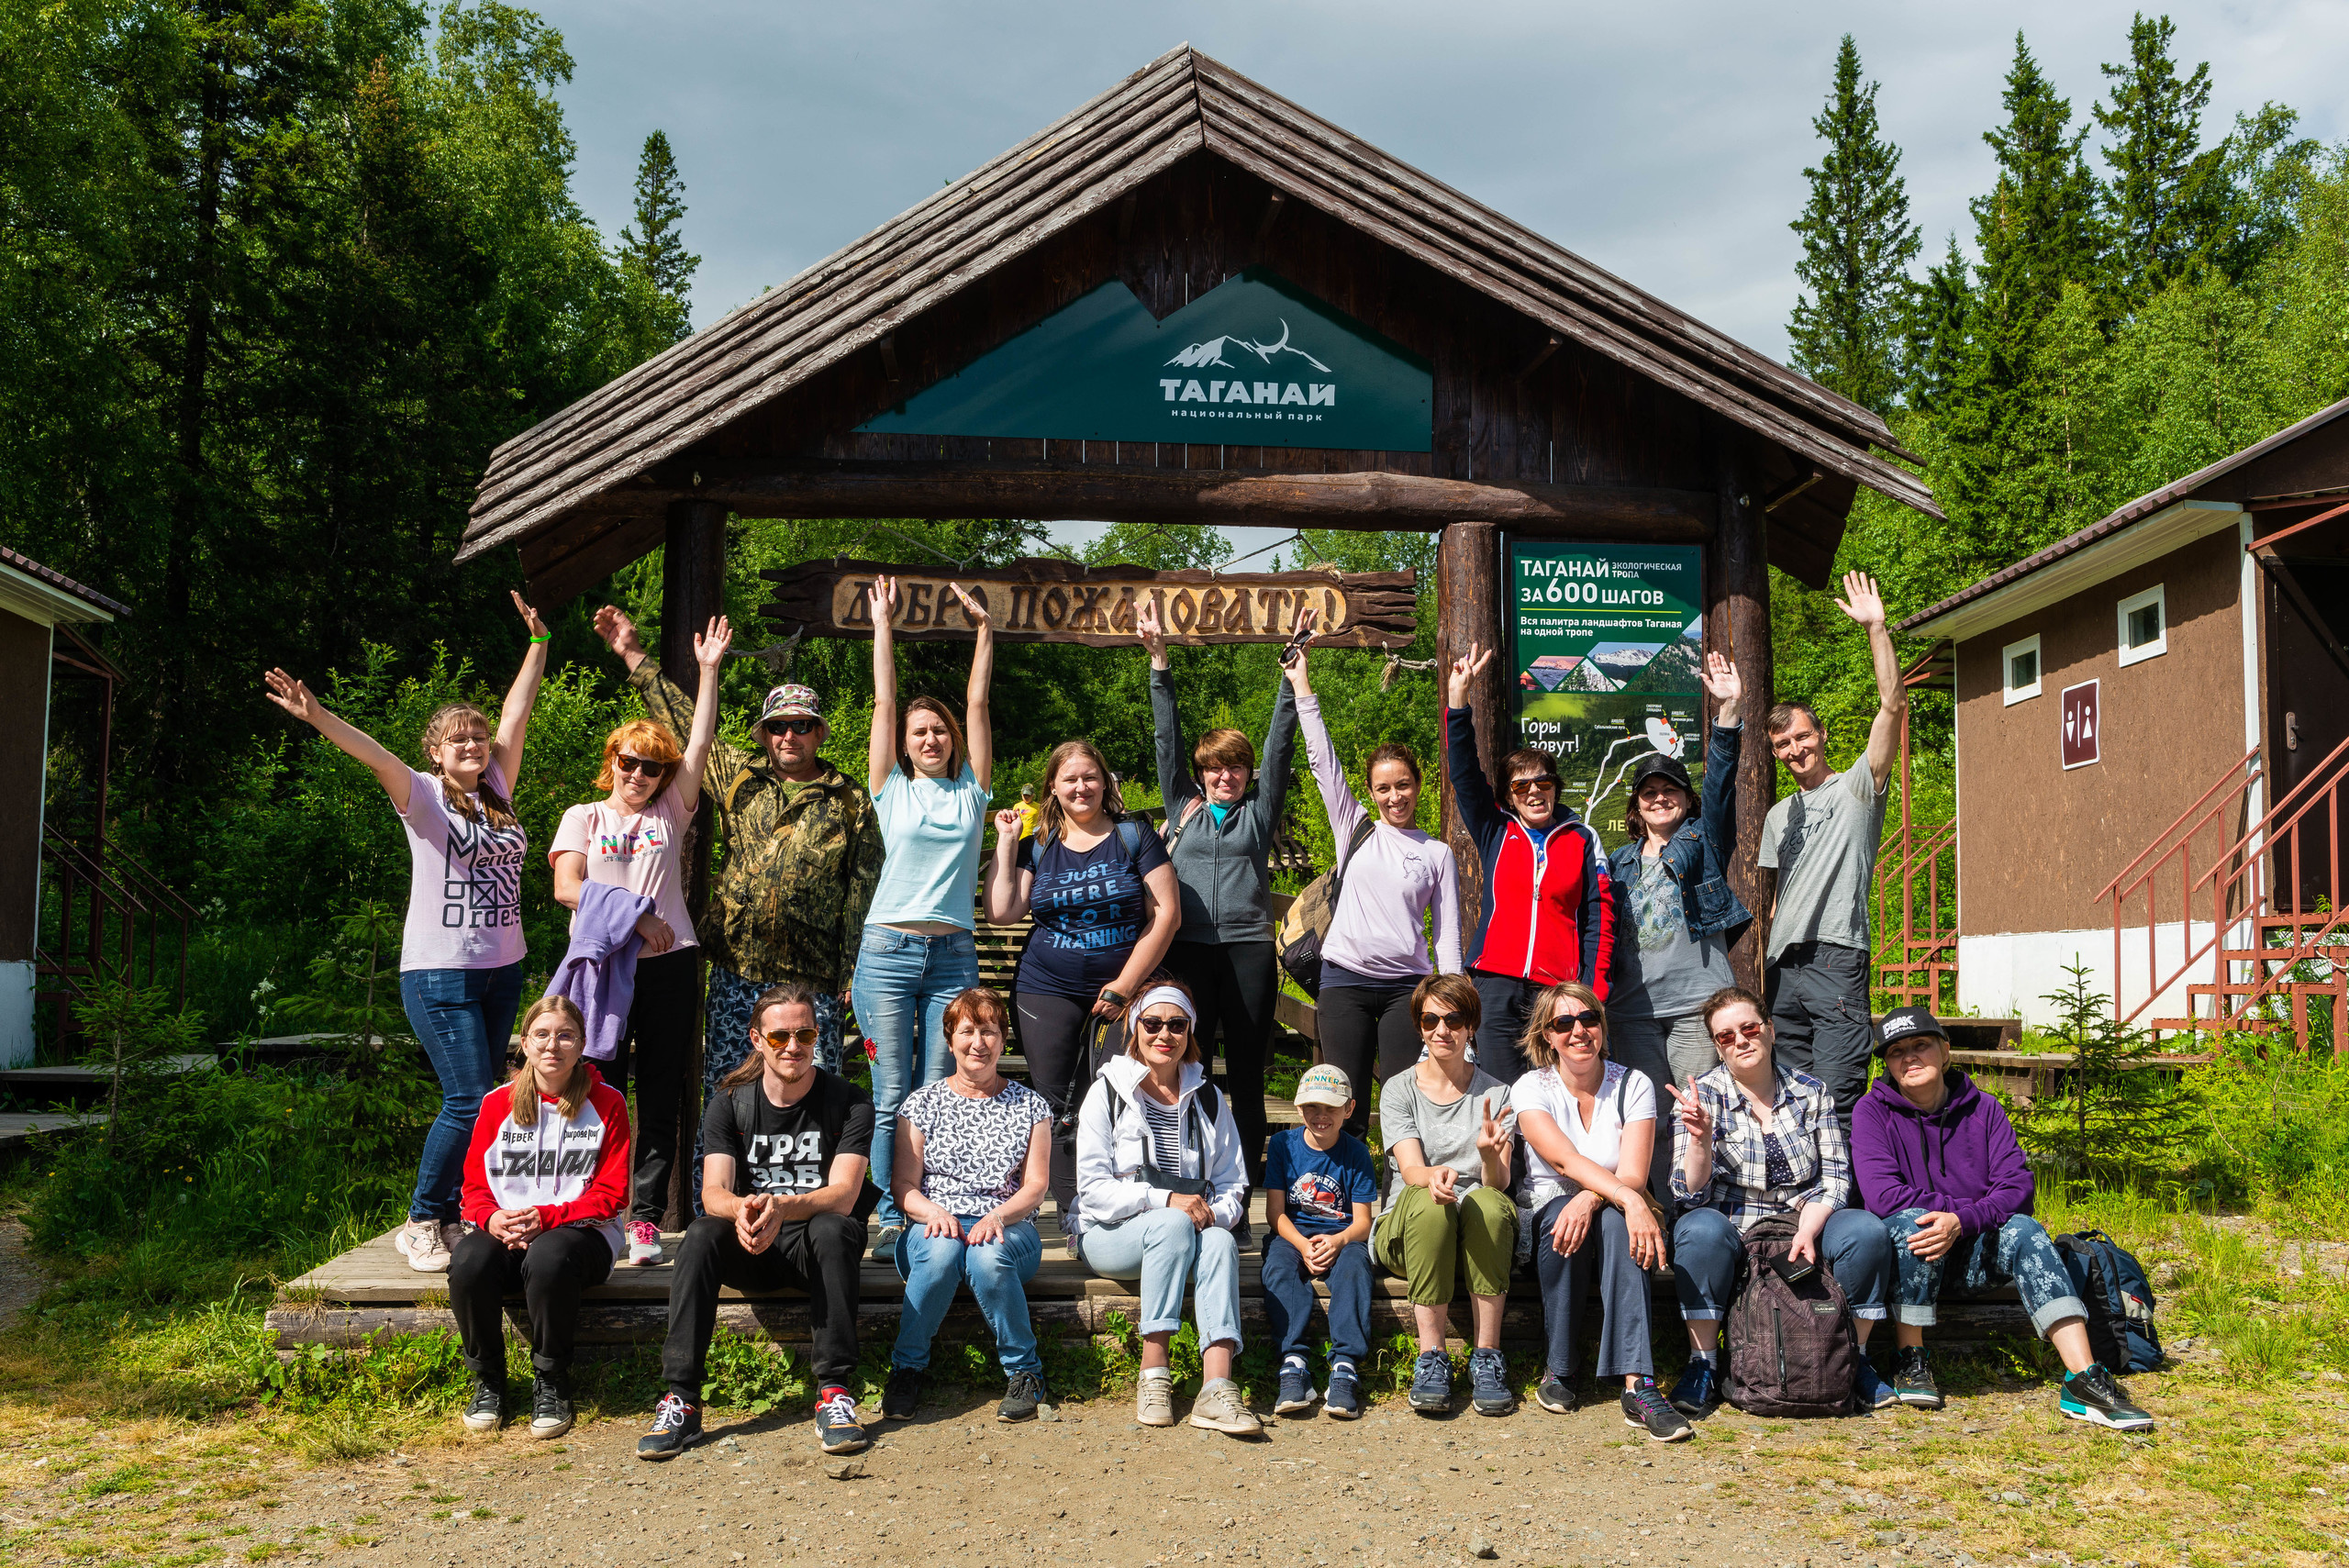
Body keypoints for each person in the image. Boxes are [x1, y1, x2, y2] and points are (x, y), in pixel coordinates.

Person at [262, 590, 548, 1273]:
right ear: (436, 751)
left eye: (478, 737)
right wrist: (318, 714)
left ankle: (453, 1215)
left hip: (502, 968)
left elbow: (516, 712)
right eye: (460, 739)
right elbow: (373, 754)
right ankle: (422, 1217)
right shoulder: (420, 793)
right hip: (439, 973)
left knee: (492, 1099)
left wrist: (538, 644)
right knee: (468, 1097)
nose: (475, 744)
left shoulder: (499, 786)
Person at [592, 605, 883, 1101]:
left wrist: (852, 973)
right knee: (729, 1091)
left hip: (813, 979)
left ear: (819, 732)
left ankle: (820, 1182)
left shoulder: (851, 798)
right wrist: (633, 654)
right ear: (764, 734)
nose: (788, 735)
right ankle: (718, 1181)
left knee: (816, 1096)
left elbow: (863, 892)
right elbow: (688, 725)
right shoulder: (737, 776)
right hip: (736, 971)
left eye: (801, 725)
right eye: (777, 726)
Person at [1855, 1008, 2154, 1430]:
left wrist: (1960, 1219)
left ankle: (2083, 1378)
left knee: (2026, 1229)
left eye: (1920, 1045)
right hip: (1910, 1259)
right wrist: (1952, 1216)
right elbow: (1883, 1195)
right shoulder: (1873, 1112)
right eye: (1897, 1051)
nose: (1910, 1058)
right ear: (1887, 1063)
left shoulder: (1985, 1109)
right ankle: (1910, 1357)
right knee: (1912, 1220)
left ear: (1944, 1050)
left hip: (1975, 1250)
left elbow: (2018, 1189)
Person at [549, 615, 730, 1267]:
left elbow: (702, 742)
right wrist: (635, 915)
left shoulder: (668, 812)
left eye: (654, 767)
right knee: (594, 1086)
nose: (641, 774)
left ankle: (645, 1220)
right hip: (602, 966)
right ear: (613, 762)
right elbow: (567, 887)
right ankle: (589, 1207)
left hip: (670, 965)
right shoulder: (584, 815)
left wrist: (707, 670)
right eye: (631, 762)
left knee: (659, 1093)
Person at [639, 984, 879, 1462]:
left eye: (805, 1033)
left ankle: (834, 1392)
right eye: (780, 1036)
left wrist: (782, 1207)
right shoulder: (730, 1103)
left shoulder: (848, 1101)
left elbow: (845, 1193)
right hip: (753, 1246)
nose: (794, 1046)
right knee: (703, 1232)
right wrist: (745, 1212)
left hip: (817, 1250)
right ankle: (681, 1398)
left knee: (834, 1227)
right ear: (756, 1039)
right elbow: (713, 1194)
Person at [1663, 986, 1895, 1418]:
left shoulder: (1811, 1091)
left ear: (1769, 1030)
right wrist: (1699, 1140)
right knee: (1696, 1229)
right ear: (1717, 1046)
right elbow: (1688, 1193)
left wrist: (1808, 1227)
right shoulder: (1701, 1097)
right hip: (1735, 1226)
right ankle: (1704, 1364)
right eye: (1726, 1036)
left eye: (1748, 1028)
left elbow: (1838, 1177)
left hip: (1806, 1218)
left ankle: (1856, 1358)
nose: (1740, 1041)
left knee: (1867, 1231)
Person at [857, 576, 996, 1262]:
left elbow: (977, 700)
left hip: (953, 960)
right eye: (921, 732)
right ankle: (890, 1211)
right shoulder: (890, 790)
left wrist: (983, 631)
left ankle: (935, 1203)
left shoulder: (973, 793)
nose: (933, 737)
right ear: (906, 745)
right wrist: (883, 622)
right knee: (891, 1095)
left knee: (941, 1090)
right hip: (886, 953)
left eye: (939, 729)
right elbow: (884, 701)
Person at [1136, 595, 1299, 1183]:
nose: (1223, 776)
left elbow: (1281, 751)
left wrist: (1288, 685)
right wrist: (1160, 664)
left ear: (1246, 774)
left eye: (1234, 768)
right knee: (1188, 1064)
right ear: (1201, 774)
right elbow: (1166, 742)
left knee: (1250, 1069)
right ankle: (1191, 1168)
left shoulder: (1258, 815)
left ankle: (1251, 1180)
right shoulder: (1184, 808)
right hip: (1189, 953)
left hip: (1248, 950)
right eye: (1214, 768)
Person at [985, 738, 1180, 1227]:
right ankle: (1072, 1211)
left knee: (1118, 1095)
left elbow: (1167, 915)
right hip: (1045, 987)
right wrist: (1008, 845)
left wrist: (1124, 985)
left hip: (1127, 989)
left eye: (1089, 777)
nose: (1081, 787)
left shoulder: (1135, 836)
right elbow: (1002, 911)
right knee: (1054, 1104)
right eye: (1069, 779)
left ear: (1105, 782)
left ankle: (1121, 1204)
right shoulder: (1040, 846)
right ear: (1053, 787)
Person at [1285, 620, 1461, 1139]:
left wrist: (1451, 1005)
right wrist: (1302, 684)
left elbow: (1446, 934)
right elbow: (1322, 759)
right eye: (1383, 788)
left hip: (1407, 988)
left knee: (1407, 1102)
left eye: (1403, 785)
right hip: (1344, 983)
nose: (1394, 797)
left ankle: (1400, 1204)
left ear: (1418, 786)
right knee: (1343, 1104)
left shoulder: (1437, 852)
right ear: (1370, 791)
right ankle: (1348, 1209)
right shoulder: (1354, 828)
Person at [1069, 981, 1259, 1436]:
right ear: (1135, 1029)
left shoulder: (1209, 1098)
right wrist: (1165, 1201)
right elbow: (1092, 1189)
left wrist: (1217, 1214)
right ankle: (1154, 1374)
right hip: (1111, 1234)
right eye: (1152, 1024)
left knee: (1216, 1239)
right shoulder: (1107, 1093)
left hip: (1186, 1235)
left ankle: (1216, 1387)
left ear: (1190, 1033)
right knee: (1174, 1223)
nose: (1164, 1035)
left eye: (1177, 1025)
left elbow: (1234, 1182)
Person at [1509, 982, 1687, 1440]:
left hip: (1615, 1208)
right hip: (1550, 1208)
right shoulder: (1531, 1087)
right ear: (1547, 1035)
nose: (1578, 1030)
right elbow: (1563, 1161)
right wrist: (1624, 1196)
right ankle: (1561, 1367)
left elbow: (1633, 1172)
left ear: (1602, 1026)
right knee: (1572, 1215)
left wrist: (1601, 1197)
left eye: (1588, 1019)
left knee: (1613, 1219)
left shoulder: (1634, 1084)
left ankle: (1638, 1384)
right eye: (1563, 1023)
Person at [1759, 570, 1902, 1139]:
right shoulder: (1776, 817)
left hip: (1837, 957)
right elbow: (1774, 902)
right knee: (1789, 1095)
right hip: (1782, 967)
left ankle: (1847, 1216)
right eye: (1782, 745)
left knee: (1839, 1093)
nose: (1795, 750)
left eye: (1801, 737)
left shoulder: (1858, 787)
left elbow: (1891, 705)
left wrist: (1877, 630)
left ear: (1821, 735)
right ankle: (1802, 1209)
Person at [447, 995, 630, 1440]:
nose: (554, 1045)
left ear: (582, 1044)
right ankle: (488, 1379)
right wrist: (490, 1220)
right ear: (525, 1044)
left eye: (566, 1035)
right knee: (469, 1261)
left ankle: (551, 1378)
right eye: (542, 1035)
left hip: (581, 1235)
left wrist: (550, 1217)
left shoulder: (607, 1102)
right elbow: (473, 1188)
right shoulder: (496, 1104)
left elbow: (612, 1193)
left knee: (549, 1256)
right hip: (507, 1230)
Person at [1607, 650, 1753, 1198]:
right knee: (1644, 1119)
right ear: (1636, 807)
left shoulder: (1704, 842)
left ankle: (1697, 1211)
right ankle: (1655, 1212)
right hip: (1633, 1012)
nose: (1660, 796)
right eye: (1649, 792)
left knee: (1696, 1112)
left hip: (1697, 1009)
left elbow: (1720, 784)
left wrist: (1728, 713)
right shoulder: (1616, 861)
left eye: (1670, 790)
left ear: (1685, 802)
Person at [880, 986, 1053, 1425]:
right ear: (949, 1038)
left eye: (990, 1031)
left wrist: (998, 1216)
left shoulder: (1031, 1105)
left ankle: (1025, 1373)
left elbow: (1035, 1187)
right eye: (968, 1031)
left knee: (988, 1254)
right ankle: (906, 1369)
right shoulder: (921, 1105)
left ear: (1004, 1038)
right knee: (941, 1254)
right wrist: (933, 1212)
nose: (979, 1042)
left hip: (1008, 1227)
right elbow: (902, 1184)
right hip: (932, 1225)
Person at [1442, 644, 1614, 1084]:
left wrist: (1591, 992)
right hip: (1496, 983)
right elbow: (1464, 774)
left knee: (1556, 1095)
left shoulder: (1582, 838)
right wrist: (1457, 701)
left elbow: (1598, 920)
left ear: (1556, 788)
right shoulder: (1495, 829)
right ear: (1508, 794)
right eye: (1521, 786)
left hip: (1556, 989)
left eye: (1544, 782)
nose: (1534, 792)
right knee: (1502, 1094)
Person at [1374, 973, 1516, 1418]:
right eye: (1430, 1019)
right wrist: (1434, 1178)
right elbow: (1412, 1168)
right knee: (1434, 1203)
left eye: (1454, 1018)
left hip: (1475, 1233)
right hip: (1411, 1229)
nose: (1442, 1029)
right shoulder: (1399, 1088)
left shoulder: (1497, 1093)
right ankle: (1431, 1356)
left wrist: (1489, 1155)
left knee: (1490, 1205)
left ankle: (1487, 1356)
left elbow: (1498, 1183)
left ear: (1471, 1025)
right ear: (1419, 1026)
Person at [1260, 1063, 1377, 1419]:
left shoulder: (1356, 1153)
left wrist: (1338, 1241)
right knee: (1278, 1269)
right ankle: (1293, 1361)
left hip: (1342, 1236)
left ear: (1349, 1109)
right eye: (1312, 1107)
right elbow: (1275, 1214)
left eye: (1330, 1108)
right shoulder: (1282, 1145)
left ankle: (1345, 1366)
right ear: (1298, 1108)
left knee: (1357, 1268)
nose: (1321, 1116)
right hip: (1292, 1233)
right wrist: (1301, 1244)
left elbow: (1363, 1223)